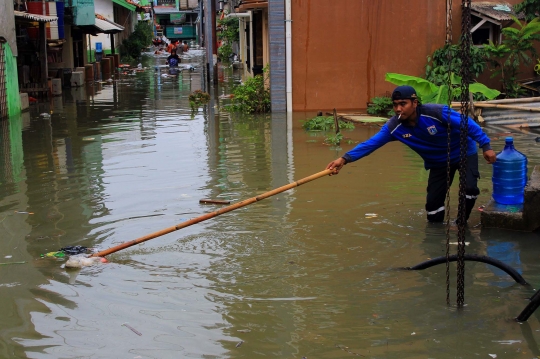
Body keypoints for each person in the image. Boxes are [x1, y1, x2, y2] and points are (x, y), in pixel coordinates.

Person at [326, 85, 497, 223]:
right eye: (395, 105)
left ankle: (461, 223)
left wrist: (486, 145)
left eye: (403, 104)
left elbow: (468, 125)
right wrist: (344, 158)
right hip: (438, 163)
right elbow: (370, 144)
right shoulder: (394, 127)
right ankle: (436, 236)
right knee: (432, 208)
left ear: (414, 103)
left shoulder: (436, 112)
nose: (398, 109)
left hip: (463, 152)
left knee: (469, 188)